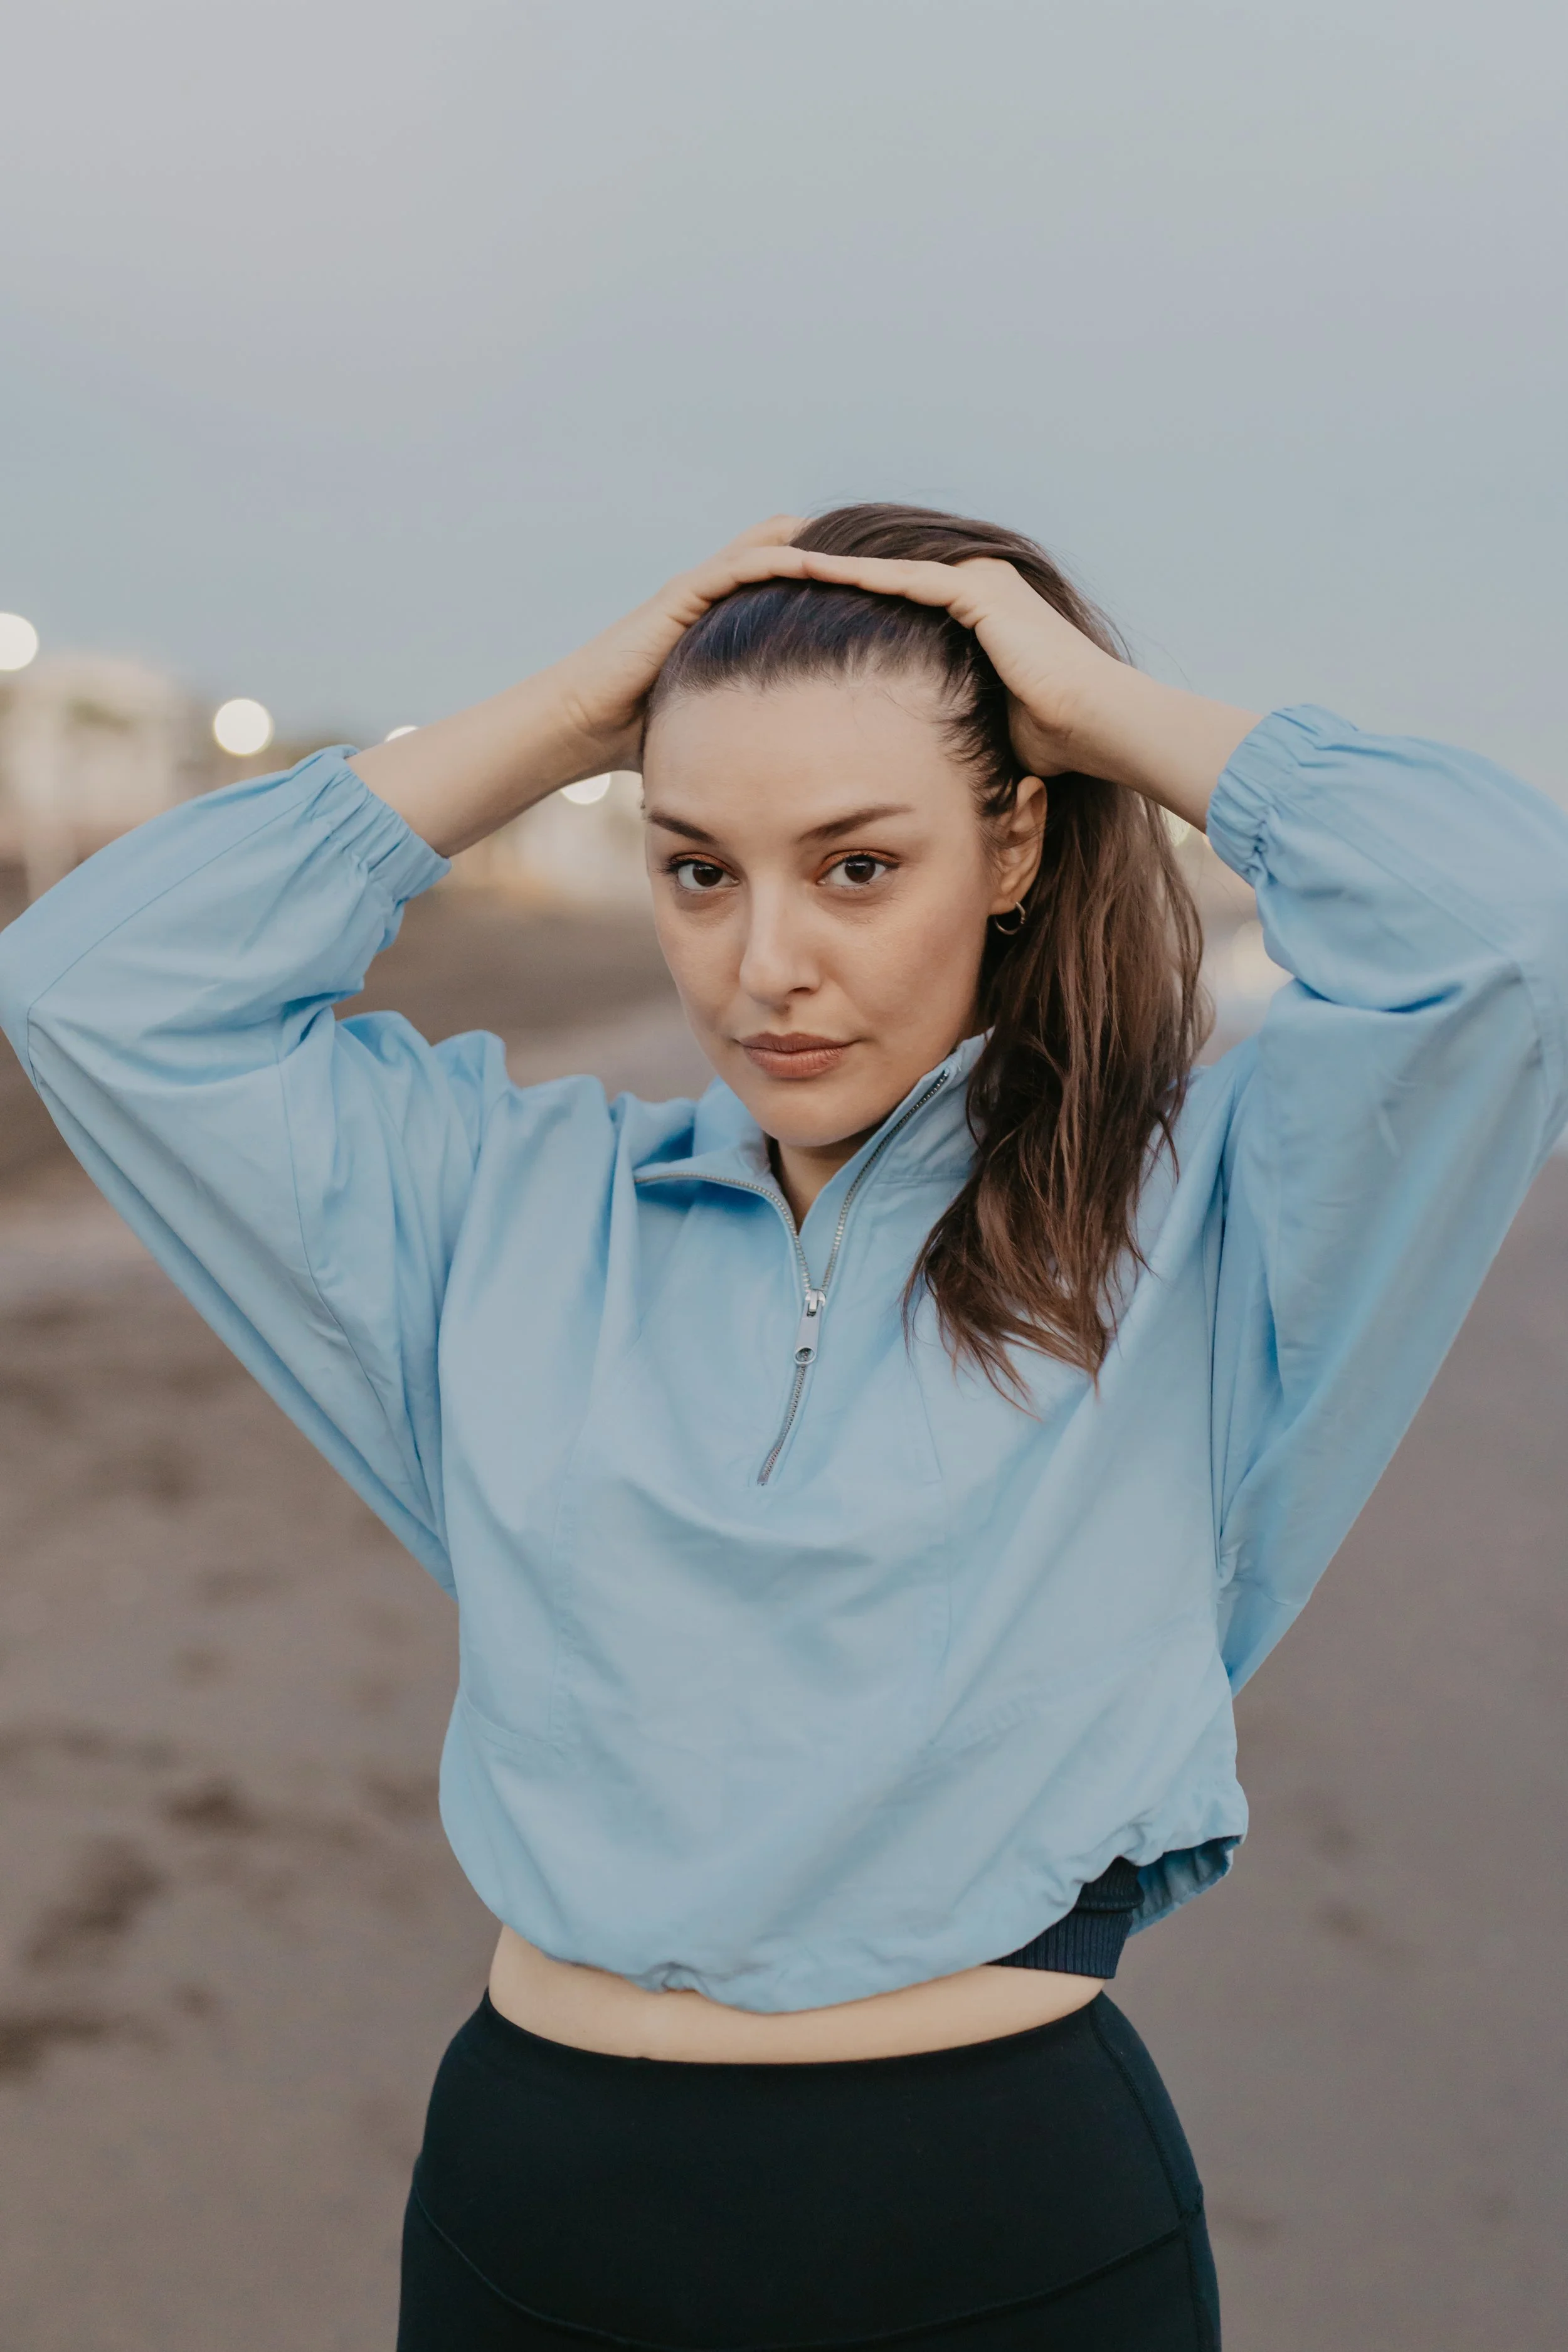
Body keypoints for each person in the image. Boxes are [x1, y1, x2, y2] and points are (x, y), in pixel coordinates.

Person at [2, 504, 1565, 2351]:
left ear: (1011, 847)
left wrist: (1097, 707)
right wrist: (575, 714)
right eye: (695, 871)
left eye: (851, 866)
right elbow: (92, 986)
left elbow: (1509, 934)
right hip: (536, 2212)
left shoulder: (1206, 1217)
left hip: (1004, 2227)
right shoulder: (504, 1207)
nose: (761, 968)